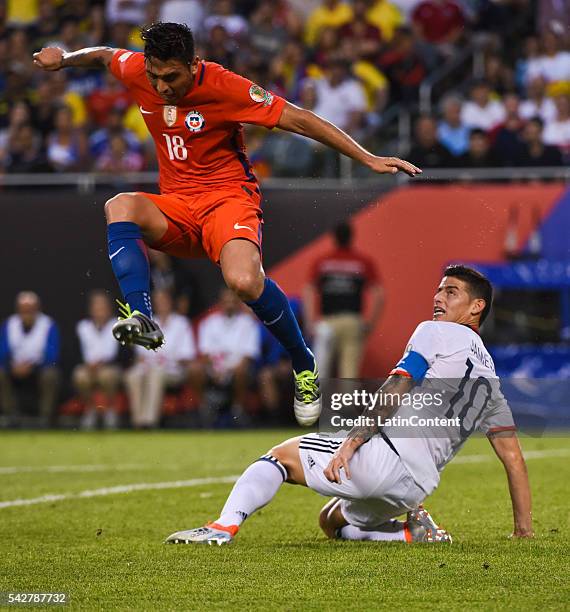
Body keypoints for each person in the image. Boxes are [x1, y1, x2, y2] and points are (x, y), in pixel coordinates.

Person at [33, 22, 420, 427]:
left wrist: (367, 158)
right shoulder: (137, 70)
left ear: (193, 64)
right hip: (178, 208)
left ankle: (304, 363)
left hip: (228, 201)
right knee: (120, 205)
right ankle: (142, 314)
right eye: (155, 77)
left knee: (243, 282)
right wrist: (65, 59)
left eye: (172, 77)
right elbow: (106, 54)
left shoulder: (223, 85)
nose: (162, 87)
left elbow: (300, 119)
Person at [165, 266, 533, 545]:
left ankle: (221, 527)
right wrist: (523, 531)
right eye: (438, 290)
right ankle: (403, 534)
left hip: (383, 458)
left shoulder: (434, 331)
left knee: (279, 457)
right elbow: (513, 459)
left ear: (477, 307)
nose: (438, 298)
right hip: (413, 488)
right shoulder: (491, 383)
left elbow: (397, 385)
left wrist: (351, 443)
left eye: (451, 292)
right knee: (330, 521)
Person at [304, 221, 384, 379]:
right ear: (351, 238)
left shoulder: (322, 262)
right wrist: (370, 324)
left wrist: (310, 323)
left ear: (334, 238)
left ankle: (319, 404)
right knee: (349, 377)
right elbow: (379, 295)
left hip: (327, 322)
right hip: (352, 322)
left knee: (320, 373)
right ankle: (347, 404)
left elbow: (308, 291)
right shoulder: (362, 262)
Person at [125, 289, 196, 429]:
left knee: (156, 374)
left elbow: (187, 356)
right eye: (158, 302)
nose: (161, 304)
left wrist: (166, 360)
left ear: (170, 302)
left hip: (173, 371)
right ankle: (138, 422)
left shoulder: (181, 323)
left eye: (164, 301)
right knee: (133, 375)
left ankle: (149, 423)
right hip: (149, 368)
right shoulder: (147, 322)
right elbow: (141, 355)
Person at [196, 288, 261, 425]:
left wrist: (229, 370)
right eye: (226, 301)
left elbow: (248, 356)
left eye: (232, 301)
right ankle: (204, 408)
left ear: (238, 303)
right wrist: (216, 370)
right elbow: (205, 354)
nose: (229, 304)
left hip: (237, 369)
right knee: (194, 370)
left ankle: (238, 409)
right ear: (220, 303)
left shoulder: (248, 323)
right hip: (213, 369)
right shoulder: (209, 323)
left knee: (241, 371)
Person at [0, 292, 60, 426]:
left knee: (51, 375)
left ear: (37, 309)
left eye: (30, 310)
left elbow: (52, 354)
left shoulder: (48, 324)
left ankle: (45, 417)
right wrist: (12, 366)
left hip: (39, 368)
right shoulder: (9, 324)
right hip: (14, 368)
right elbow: (2, 350)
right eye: (23, 310)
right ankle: (10, 414)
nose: (26, 314)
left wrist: (32, 366)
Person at [73, 290, 123, 430]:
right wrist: (88, 365)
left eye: (103, 307)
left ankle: (110, 410)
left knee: (107, 375)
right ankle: (91, 409)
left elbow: (122, 354)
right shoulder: (83, 327)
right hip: (88, 367)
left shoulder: (119, 325)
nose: (100, 311)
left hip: (110, 368)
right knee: (80, 375)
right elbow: (76, 352)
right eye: (97, 307)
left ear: (109, 309)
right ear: (91, 309)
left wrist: (103, 364)